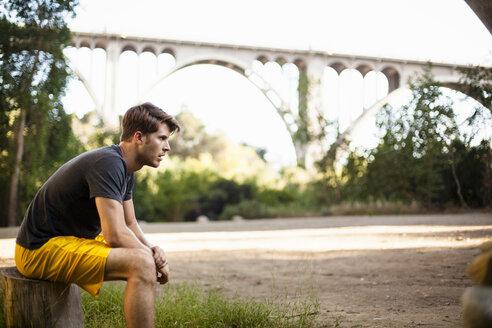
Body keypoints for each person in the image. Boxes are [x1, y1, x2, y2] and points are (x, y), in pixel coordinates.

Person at [15, 102, 180, 328]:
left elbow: (129, 223)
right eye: (162, 138)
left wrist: (152, 250)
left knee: (145, 259)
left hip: (66, 242)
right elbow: (114, 234)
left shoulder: (126, 169)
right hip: (37, 249)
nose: (167, 147)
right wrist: (150, 261)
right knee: (142, 264)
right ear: (139, 138)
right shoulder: (109, 163)